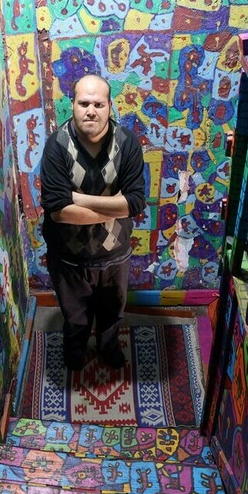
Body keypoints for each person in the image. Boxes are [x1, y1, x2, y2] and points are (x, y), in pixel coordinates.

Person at [39, 74, 146, 371]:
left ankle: (107, 348)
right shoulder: (57, 146)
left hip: (115, 254)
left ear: (110, 106)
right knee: (75, 316)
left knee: (112, 313)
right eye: (84, 103)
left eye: (98, 104)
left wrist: (78, 198)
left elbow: (135, 203)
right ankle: (75, 351)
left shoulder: (127, 143)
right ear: (72, 104)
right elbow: (59, 212)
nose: (91, 111)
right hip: (68, 257)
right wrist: (117, 208)